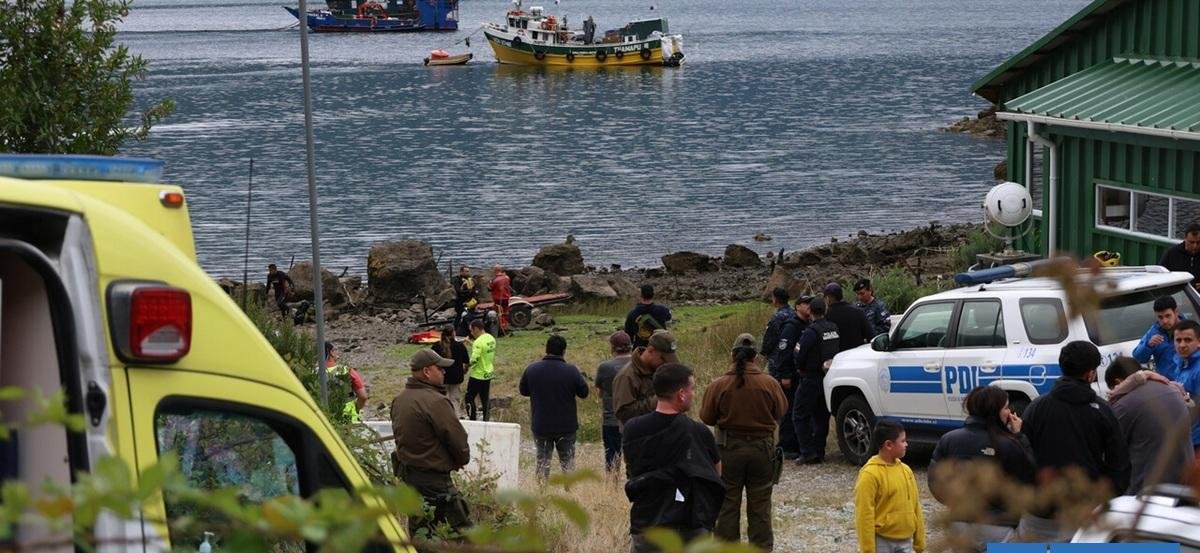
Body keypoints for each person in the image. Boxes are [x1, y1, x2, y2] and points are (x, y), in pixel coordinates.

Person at [1018, 341, 1128, 542]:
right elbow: (1119, 464)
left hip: (1040, 511)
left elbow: (1024, 455)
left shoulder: (1036, 407)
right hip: (1084, 512)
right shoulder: (1101, 411)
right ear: (1091, 374)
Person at [699, 334, 787, 551]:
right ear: (755, 357)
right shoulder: (770, 383)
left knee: (727, 503)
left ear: (732, 356)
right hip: (762, 450)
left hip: (728, 449)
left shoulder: (719, 385)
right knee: (760, 504)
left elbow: (706, 417)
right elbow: (782, 411)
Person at [623, 363, 723, 553]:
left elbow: (631, 467)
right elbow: (716, 473)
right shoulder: (698, 432)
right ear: (681, 394)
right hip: (689, 522)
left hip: (647, 520)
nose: (694, 393)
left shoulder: (632, 428)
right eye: (692, 388)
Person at [928, 386, 1037, 550]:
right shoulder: (1010, 444)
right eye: (1006, 407)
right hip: (999, 526)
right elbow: (1030, 478)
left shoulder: (949, 439)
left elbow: (934, 481)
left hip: (959, 524)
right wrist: (1020, 436)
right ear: (995, 411)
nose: (1009, 412)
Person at [390, 349, 471, 537]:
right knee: (463, 533)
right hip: (435, 479)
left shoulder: (399, 400)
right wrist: (461, 460)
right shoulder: (435, 401)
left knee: (422, 533)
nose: (444, 372)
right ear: (427, 371)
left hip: (410, 476)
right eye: (440, 368)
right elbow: (457, 439)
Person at [1104, 356, 1194, 494]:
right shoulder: (1171, 388)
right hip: (1187, 478)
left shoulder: (1124, 404)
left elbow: (1113, 448)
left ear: (1118, 382)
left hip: (1151, 488)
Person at [519, 334, 589, 481]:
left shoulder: (532, 369)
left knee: (542, 462)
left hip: (541, 424)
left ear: (546, 349)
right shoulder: (571, 370)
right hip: (566, 426)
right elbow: (584, 393)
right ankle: (571, 495)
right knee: (568, 463)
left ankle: (541, 495)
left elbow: (523, 391)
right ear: (564, 351)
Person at [854, 420, 926, 553]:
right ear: (888, 445)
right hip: (882, 542)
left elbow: (915, 506)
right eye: (903, 441)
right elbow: (864, 515)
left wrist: (919, 541)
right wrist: (868, 549)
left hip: (906, 541)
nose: (906, 444)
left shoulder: (906, 471)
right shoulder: (870, 474)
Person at [791, 297, 841, 464]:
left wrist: (799, 367)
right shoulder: (834, 328)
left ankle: (807, 452)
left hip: (810, 377)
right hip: (828, 378)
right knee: (822, 416)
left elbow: (799, 354)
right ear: (825, 311)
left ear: (810, 312)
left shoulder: (810, 332)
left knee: (799, 415)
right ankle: (819, 450)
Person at [612, 330, 680, 428]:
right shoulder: (627, 376)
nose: (666, 364)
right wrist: (657, 401)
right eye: (663, 359)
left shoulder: (660, 371)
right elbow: (623, 413)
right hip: (638, 438)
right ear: (651, 351)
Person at [773, 295, 813, 460]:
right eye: (806, 304)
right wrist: (785, 375)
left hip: (803, 375)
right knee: (789, 410)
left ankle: (798, 443)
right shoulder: (791, 326)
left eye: (811, 304)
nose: (809, 307)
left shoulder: (809, 325)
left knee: (801, 411)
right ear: (797, 307)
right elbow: (783, 352)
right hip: (790, 375)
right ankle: (786, 445)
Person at [596, 331, 633, 472]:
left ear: (612, 347)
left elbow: (600, 392)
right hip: (635, 418)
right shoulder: (639, 364)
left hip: (611, 418)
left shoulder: (605, 367)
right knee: (634, 455)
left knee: (612, 456)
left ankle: (612, 486)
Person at [1131, 296, 1186, 380]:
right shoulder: (1154, 331)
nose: (1164, 321)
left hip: (1190, 385)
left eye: (1168, 316)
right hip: (1167, 386)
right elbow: (1138, 358)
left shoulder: (1191, 330)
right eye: (1160, 317)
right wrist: (1148, 346)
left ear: (1176, 312)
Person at [1169, 319, 1200, 455]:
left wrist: (1186, 400)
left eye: (1188, 340)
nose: (1182, 345)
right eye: (1178, 340)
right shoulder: (1181, 363)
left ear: (1199, 341)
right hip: (1188, 437)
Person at [431, 324, 470, 417]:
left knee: (440, 400)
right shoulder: (460, 346)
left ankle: (441, 418)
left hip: (441, 377)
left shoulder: (436, 346)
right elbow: (467, 362)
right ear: (453, 333)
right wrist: (465, 371)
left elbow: (430, 361)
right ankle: (455, 419)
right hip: (456, 377)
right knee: (454, 400)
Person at [823, 282, 873, 352]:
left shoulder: (826, 316)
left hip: (837, 358)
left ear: (828, 298)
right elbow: (870, 336)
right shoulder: (858, 311)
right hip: (858, 355)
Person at [325, 341, 367, 422]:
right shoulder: (347, 371)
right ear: (331, 353)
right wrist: (356, 408)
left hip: (325, 419)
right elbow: (363, 396)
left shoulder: (313, 373)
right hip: (348, 417)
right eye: (335, 350)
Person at [464, 319, 496, 421]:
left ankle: (472, 419)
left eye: (472, 330)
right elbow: (483, 350)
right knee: (485, 398)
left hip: (477, 374)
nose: (471, 333)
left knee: (469, 398)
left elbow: (474, 359)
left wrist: (467, 365)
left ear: (476, 329)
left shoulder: (478, 342)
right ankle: (486, 419)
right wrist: (471, 343)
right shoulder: (491, 338)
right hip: (488, 373)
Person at [624, 284, 672, 349]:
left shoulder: (632, 313)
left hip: (641, 350)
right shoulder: (662, 309)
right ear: (653, 294)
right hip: (660, 349)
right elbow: (669, 317)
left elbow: (628, 335)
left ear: (641, 295)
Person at [1158, 222, 1200, 287]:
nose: (1195, 246)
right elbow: (1160, 275)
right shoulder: (1172, 253)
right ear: (1185, 239)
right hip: (1177, 294)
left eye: (1198, 242)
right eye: (1191, 242)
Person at [451, 266, 478, 330]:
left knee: (471, 316)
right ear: (461, 272)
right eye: (466, 271)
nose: (468, 273)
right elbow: (458, 291)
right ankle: (454, 329)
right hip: (461, 302)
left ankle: (470, 330)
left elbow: (475, 289)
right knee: (459, 316)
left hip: (470, 301)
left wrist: (474, 293)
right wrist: (469, 291)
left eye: (468, 271)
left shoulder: (471, 280)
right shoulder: (457, 280)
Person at [489, 265, 512, 336]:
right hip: (506, 298)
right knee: (505, 313)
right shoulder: (507, 278)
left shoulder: (495, 280)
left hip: (498, 299)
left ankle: (500, 329)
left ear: (495, 270)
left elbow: (490, 288)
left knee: (499, 314)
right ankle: (505, 327)